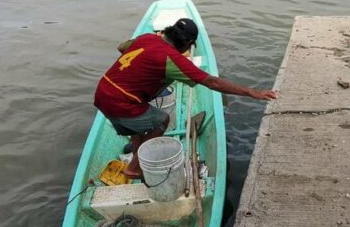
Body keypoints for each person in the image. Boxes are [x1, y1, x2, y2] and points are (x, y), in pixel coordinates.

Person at [94, 18, 278, 178]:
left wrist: (141, 69)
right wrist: (252, 92)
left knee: (139, 123)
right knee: (161, 121)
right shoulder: (172, 58)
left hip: (102, 94)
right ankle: (134, 168)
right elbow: (212, 82)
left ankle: (137, 154)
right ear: (188, 43)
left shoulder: (146, 38)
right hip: (122, 104)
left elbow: (121, 47)